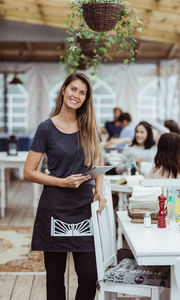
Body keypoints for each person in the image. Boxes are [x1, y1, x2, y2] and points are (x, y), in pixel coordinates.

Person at [24, 72, 107, 300]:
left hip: (84, 208)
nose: (77, 95)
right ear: (63, 90)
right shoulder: (46, 128)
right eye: (74, 89)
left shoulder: (90, 127)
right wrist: (62, 182)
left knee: (90, 277)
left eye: (83, 93)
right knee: (55, 280)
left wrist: (98, 190)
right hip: (54, 208)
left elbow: (99, 163)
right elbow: (29, 171)